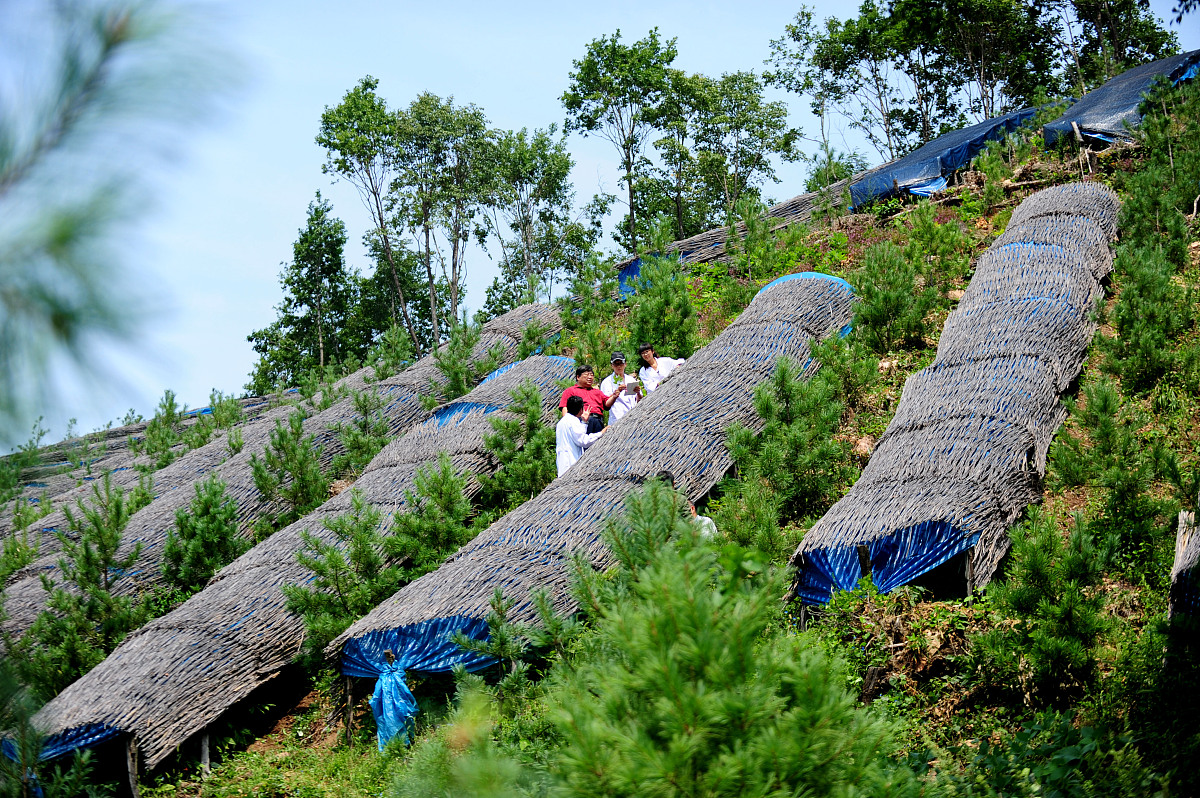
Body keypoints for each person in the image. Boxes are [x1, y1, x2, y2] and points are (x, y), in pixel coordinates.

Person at [655, 469, 717, 538]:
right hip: (676, 542)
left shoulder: (649, 499)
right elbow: (689, 522)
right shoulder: (680, 498)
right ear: (673, 484)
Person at [559, 364, 616, 434]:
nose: (590, 377)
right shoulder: (570, 391)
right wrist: (567, 423)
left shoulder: (597, 392)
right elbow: (564, 407)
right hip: (581, 420)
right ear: (578, 377)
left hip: (598, 420)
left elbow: (607, 404)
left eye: (591, 375)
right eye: (586, 375)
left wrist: (614, 396)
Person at [556, 395, 603, 476]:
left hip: (563, 461)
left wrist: (584, 422)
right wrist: (601, 433)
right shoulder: (573, 421)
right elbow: (583, 441)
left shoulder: (562, 422)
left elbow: (578, 434)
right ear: (581, 409)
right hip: (571, 461)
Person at [599, 351, 642, 423]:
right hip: (617, 419)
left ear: (625, 364)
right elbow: (606, 404)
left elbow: (639, 401)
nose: (619, 366)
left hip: (633, 418)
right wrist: (615, 394)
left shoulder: (631, 380)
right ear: (612, 365)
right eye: (616, 364)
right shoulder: (607, 382)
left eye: (621, 363)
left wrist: (638, 393)